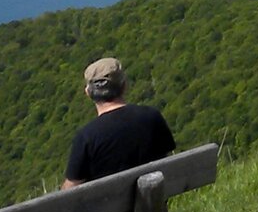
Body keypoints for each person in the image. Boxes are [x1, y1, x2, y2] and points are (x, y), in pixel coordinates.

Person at [62, 56, 176, 187]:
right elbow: (167, 159)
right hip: (154, 204)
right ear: (124, 86)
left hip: (110, 207)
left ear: (88, 92)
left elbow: (72, 187)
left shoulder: (86, 137)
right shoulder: (152, 116)